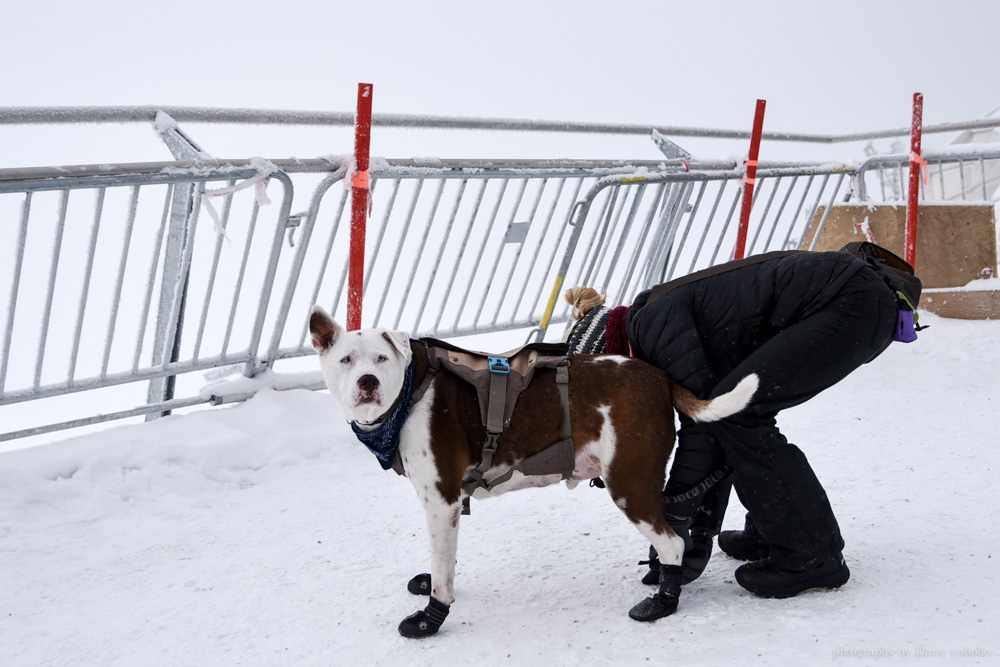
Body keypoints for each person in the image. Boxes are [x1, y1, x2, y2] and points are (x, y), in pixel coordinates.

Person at [563, 248, 900, 598]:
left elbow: (705, 427)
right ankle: (773, 531)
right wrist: (698, 526)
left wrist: (674, 519)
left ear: (613, 358)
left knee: (738, 416)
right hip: (850, 296)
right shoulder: (650, 320)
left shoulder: (653, 328)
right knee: (734, 411)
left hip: (850, 301)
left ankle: (812, 556)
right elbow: (712, 423)